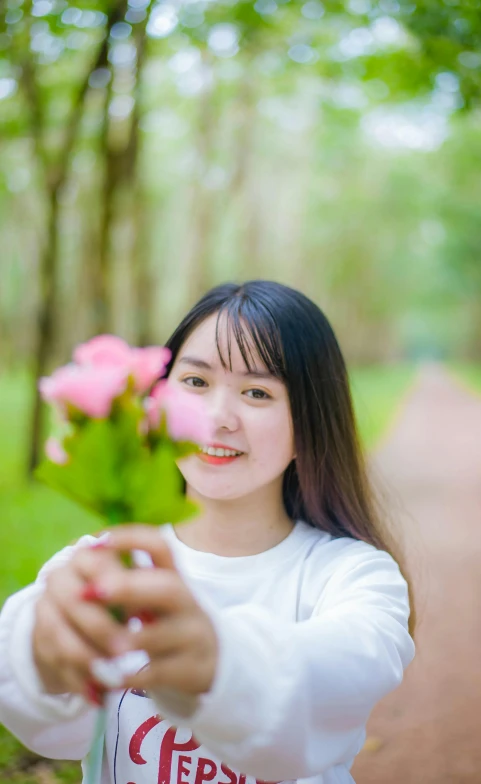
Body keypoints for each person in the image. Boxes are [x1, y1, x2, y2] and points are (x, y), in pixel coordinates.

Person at [0, 280, 415, 784]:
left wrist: (217, 662)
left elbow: (343, 671)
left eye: (257, 392)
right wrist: (41, 648)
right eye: (195, 383)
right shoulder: (108, 563)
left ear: (310, 425)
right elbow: (49, 728)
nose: (216, 419)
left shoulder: (354, 577)